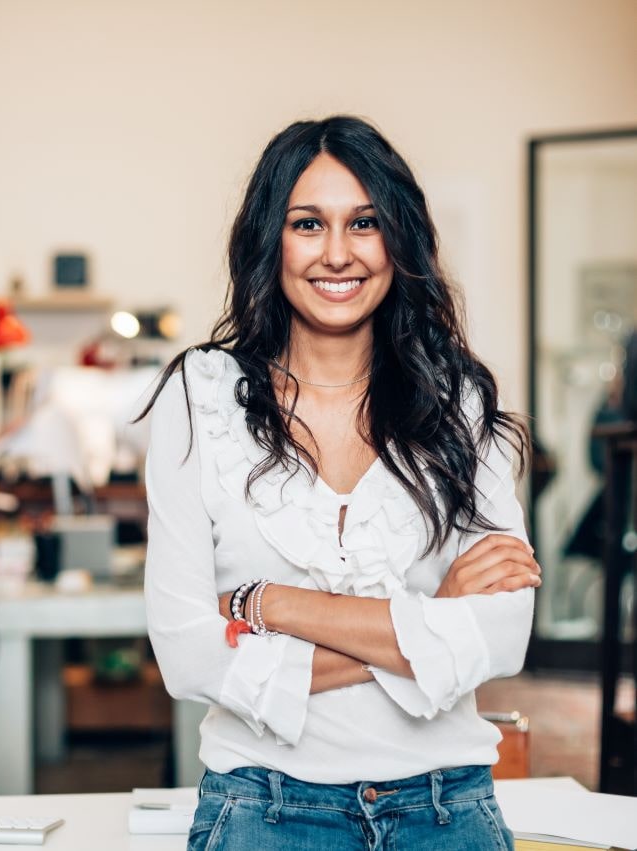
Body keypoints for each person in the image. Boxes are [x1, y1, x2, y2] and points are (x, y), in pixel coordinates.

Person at [140, 117, 540, 850]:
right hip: (262, 807)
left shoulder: (455, 398)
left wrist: (275, 604)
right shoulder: (199, 397)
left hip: (446, 805)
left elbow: (504, 633)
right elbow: (188, 654)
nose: (336, 253)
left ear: (398, 239)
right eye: (306, 223)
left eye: (363, 222)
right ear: (271, 238)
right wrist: (429, 618)